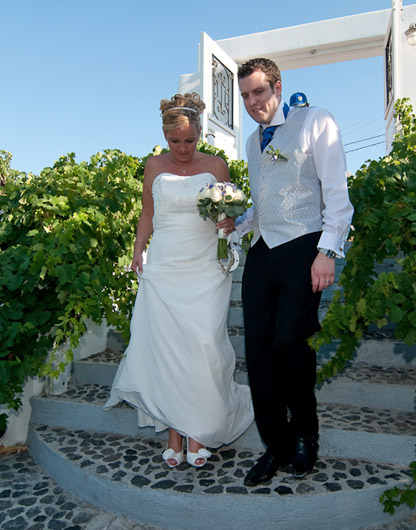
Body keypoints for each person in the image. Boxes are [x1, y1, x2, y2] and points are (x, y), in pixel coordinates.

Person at [104, 93, 253, 469]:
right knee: (167, 346)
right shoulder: (153, 166)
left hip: (205, 265)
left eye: (190, 140)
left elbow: (228, 212)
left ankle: (199, 429)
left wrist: (229, 221)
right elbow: (147, 214)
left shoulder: (217, 166)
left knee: (202, 342)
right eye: (176, 141)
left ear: (200, 133)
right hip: (166, 262)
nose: (184, 149)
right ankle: (175, 429)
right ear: (165, 137)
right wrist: (138, 249)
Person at [235, 58, 353, 486]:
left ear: (277, 87)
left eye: (259, 92)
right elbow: (263, 200)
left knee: (291, 342)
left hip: (305, 244)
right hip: (263, 252)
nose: (252, 102)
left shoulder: (314, 121)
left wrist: (328, 251)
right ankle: (275, 445)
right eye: (245, 96)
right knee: (260, 353)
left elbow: (336, 192)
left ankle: (305, 434)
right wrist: (239, 222)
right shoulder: (252, 142)